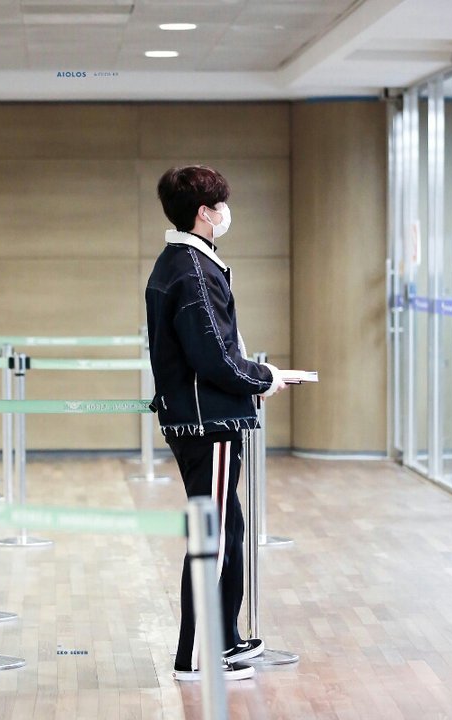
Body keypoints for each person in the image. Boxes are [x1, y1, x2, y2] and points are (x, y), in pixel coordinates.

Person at [145, 165, 288, 682]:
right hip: (208, 423)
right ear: (204, 213)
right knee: (216, 537)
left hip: (202, 419)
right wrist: (265, 377)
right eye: (220, 205)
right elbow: (215, 358)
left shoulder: (185, 263)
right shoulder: (191, 269)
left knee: (227, 528)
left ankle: (222, 638)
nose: (227, 212)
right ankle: (199, 655)